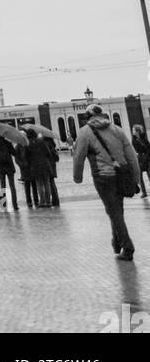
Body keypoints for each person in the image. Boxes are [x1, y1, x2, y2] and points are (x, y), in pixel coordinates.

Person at [72, 104, 141, 261]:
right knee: (117, 209)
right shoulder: (117, 129)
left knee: (113, 211)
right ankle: (117, 242)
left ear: (88, 117)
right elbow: (131, 155)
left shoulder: (84, 132)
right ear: (102, 115)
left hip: (102, 177)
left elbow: (78, 156)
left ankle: (127, 247)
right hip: (121, 174)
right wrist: (135, 177)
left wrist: (77, 177)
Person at [0, 127, 19, 211]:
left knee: (2, 186)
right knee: (12, 186)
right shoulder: (8, 143)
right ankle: (15, 205)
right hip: (9, 166)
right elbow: (14, 153)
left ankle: (3, 205)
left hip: (0, 167)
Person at [25, 128, 53, 208]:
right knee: (47, 183)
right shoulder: (41, 142)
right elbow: (48, 153)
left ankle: (42, 202)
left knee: (39, 184)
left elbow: (27, 157)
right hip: (45, 165)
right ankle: (48, 201)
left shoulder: (28, 144)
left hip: (35, 167)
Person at [132, 125, 150, 197]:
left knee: (149, 174)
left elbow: (148, 148)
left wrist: (146, 156)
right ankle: (144, 192)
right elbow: (136, 149)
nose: (132, 131)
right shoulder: (133, 139)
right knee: (140, 177)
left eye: (133, 130)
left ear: (137, 131)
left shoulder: (144, 138)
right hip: (139, 158)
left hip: (147, 157)